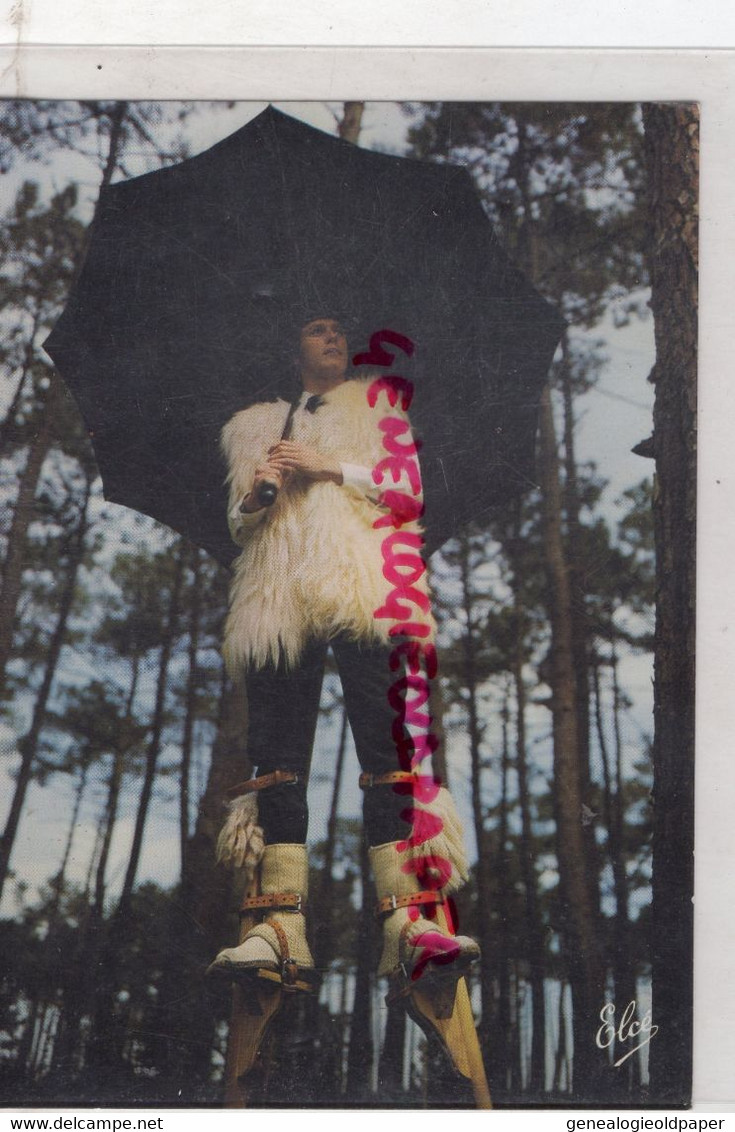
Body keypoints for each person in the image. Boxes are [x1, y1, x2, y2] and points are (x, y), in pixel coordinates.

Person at [207, 313, 479, 989]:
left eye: (339, 331)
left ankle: (410, 923)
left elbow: (409, 494)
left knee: (389, 754)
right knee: (276, 762)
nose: (333, 339)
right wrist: (258, 494)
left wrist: (330, 467)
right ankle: (278, 927)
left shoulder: (379, 408)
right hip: (279, 596)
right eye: (317, 329)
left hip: (365, 585)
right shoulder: (255, 426)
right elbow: (240, 529)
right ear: (292, 343)